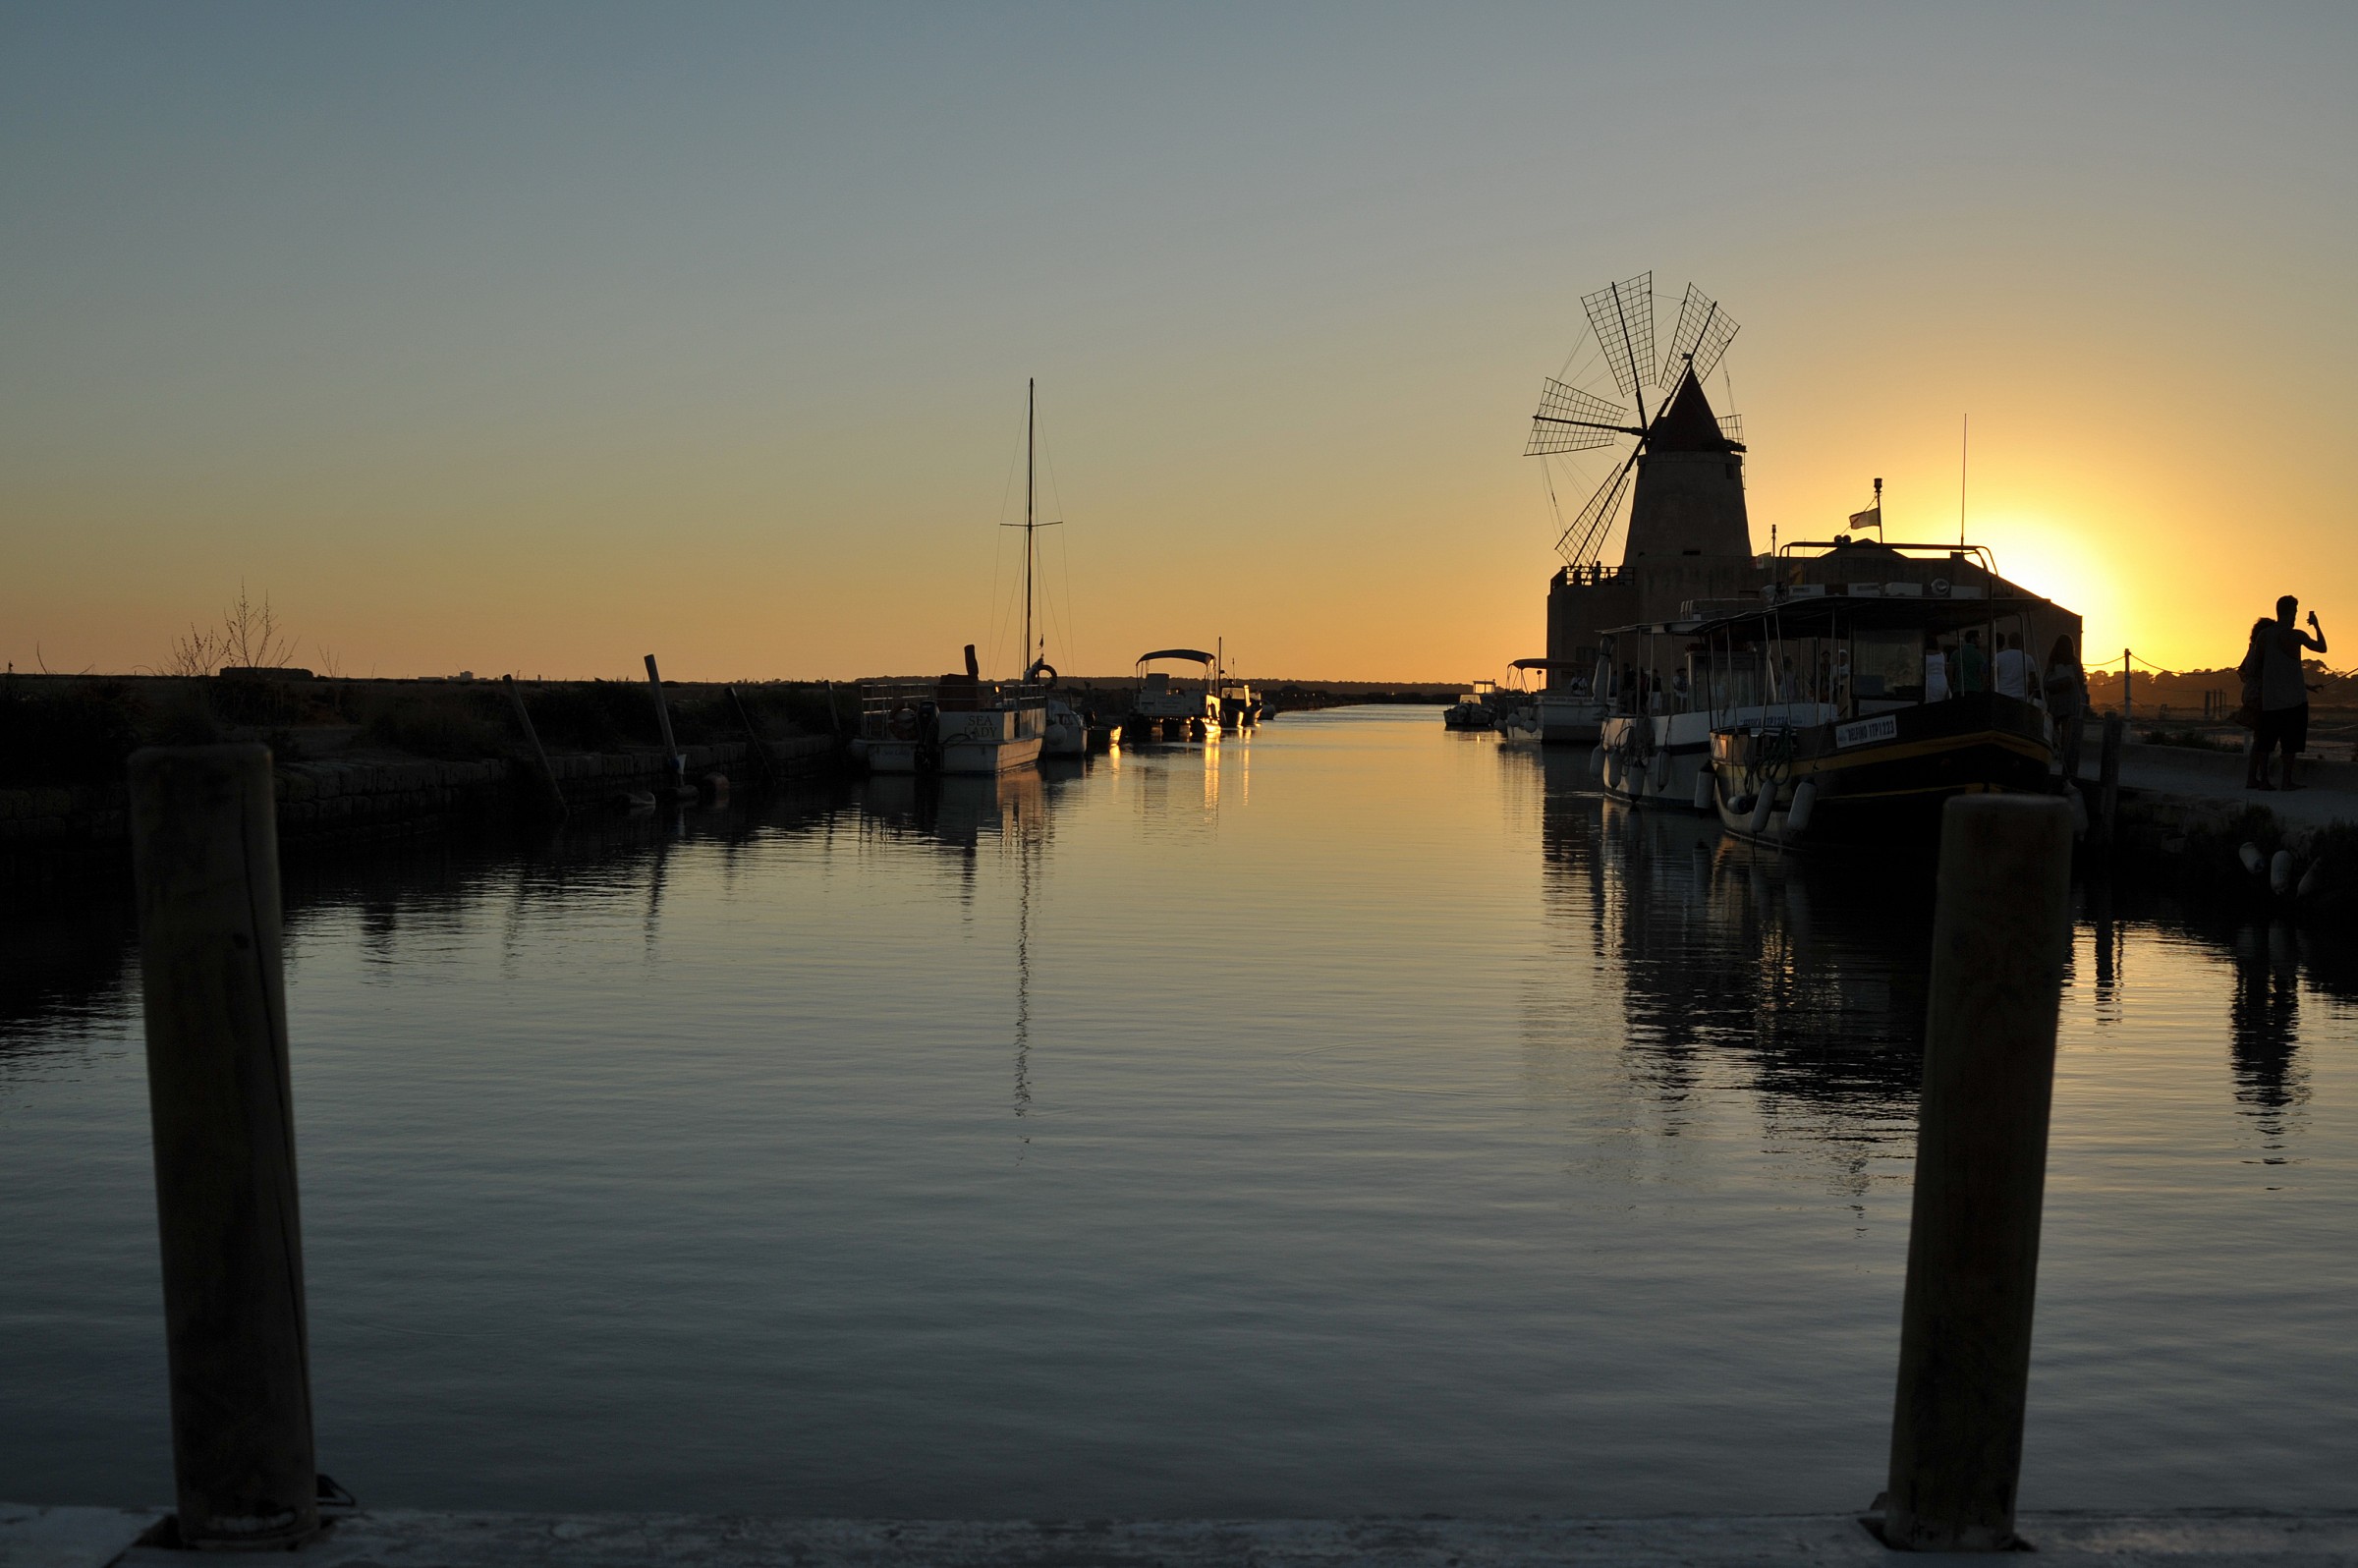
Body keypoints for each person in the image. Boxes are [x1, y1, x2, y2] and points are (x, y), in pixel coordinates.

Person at [2253, 595, 2328, 790]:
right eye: (2295, 611)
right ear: (2290, 612)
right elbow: (2322, 648)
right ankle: (2286, 781)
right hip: (2294, 701)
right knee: (2290, 744)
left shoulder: (2264, 636)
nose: (2295, 616)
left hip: (2270, 700)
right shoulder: (2297, 635)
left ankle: (2265, 781)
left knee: (2265, 743)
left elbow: (2256, 666)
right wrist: (2317, 626)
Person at [2042, 635, 2086, 718]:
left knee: (2053, 723)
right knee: (2067, 724)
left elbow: (2046, 678)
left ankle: (2056, 731)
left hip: (2055, 698)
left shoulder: (2053, 660)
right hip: (2070, 698)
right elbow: (2080, 680)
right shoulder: (2075, 662)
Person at [1993, 631, 2033, 700]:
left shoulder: (1998, 657)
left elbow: (1993, 677)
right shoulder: (2028, 658)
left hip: (2003, 695)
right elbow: (2033, 681)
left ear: (2008, 642)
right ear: (2021, 643)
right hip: (2021, 696)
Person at [1956, 628, 1989, 694]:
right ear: (1972, 639)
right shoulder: (1978, 655)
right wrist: (1983, 688)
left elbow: (1950, 675)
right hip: (1974, 690)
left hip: (1958, 690)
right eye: (1978, 638)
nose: (1980, 640)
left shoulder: (1956, 653)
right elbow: (1982, 674)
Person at [1923, 635, 1951, 702]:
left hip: (1929, 682)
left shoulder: (1923, 654)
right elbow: (1945, 670)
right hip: (1942, 681)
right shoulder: (1943, 655)